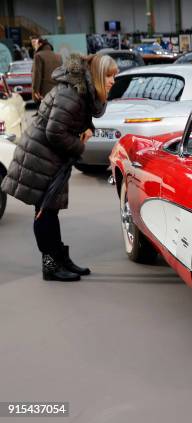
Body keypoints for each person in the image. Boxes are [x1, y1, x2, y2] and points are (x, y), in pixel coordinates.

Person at [1, 54, 118, 282]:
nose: (113, 80)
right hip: (40, 158)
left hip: (49, 158)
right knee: (45, 212)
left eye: (114, 75)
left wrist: (85, 129)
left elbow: (74, 118)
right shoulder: (72, 94)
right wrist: (79, 145)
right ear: (95, 76)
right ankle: (51, 265)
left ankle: (59, 258)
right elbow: (54, 131)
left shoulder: (79, 92)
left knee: (49, 211)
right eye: (108, 75)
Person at [31, 37, 63, 104]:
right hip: (58, 91)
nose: (34, 46)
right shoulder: (58, 56)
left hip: (44, 92)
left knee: (43, 112)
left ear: (40, 44)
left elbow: (37, 75)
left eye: (35, 44)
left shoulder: (38, 56)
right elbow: (61, 74)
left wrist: (35, 91)